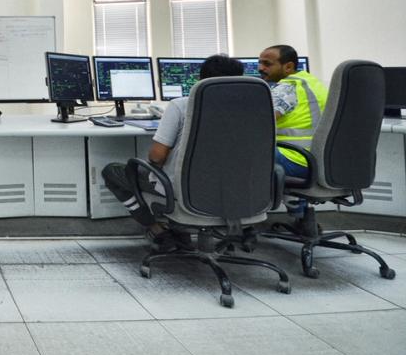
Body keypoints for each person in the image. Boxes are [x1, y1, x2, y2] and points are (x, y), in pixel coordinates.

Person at [102, 54, 245, 252]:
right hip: (233, 191)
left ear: (200, 80)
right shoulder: (252, 110)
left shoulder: (181, 105)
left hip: (184, 191)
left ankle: (158, 231)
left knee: (113, 171)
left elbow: (156, 157)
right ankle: (179, 231)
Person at [258, 45, 329, 179]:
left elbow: (257, 124)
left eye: (267, 64)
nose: (260, 68)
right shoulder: (313, 83)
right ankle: (293, 199)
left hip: (296, 158)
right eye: (260, 63)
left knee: (236, 151)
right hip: (318, 159)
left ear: (288, 67)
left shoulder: (287, 87)